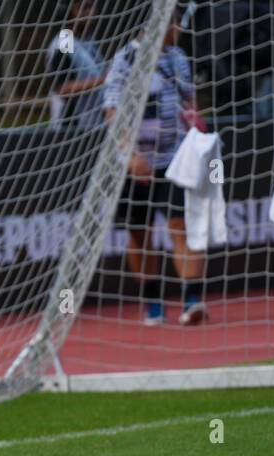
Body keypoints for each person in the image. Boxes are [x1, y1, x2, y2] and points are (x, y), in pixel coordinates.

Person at [105, 2, 208, 326]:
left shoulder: (178, 59)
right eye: (173, 23)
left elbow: (188, 101)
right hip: (136, 162)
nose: (178, 29)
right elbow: (112, 110)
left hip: (174, 157)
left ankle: (192, 300)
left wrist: (195, 132)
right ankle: (153, 302)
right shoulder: (127, 58)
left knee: (181, 225)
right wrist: (131, 154)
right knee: (139, 233)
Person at [45, 0, 106, 131]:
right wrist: (104, 80)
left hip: (93, 125)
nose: (89, 12)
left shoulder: (89, 41)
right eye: (83, 7)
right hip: (70, 129)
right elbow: (63, 89)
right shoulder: (65, 41)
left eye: (91, 7)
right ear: (68, 12)